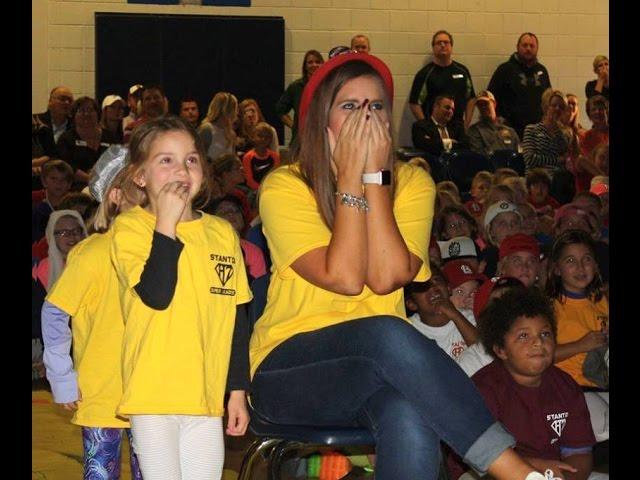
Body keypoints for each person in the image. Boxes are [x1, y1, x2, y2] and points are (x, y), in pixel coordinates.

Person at [249, 49, 549, 480]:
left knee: (409, 410)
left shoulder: (411, 182)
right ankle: (514, 471)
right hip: (290, 368)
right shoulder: (286, 185)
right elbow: (348, 279)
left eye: (375, 107)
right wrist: (352, 177)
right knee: (385, 333)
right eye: (349, 107)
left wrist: (374, 180)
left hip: (380, 371)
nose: (365, 119)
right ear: (322, 122)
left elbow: (388, 276)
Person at [110, 116, 251, 479]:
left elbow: (236, 319)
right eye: (166, 160)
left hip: (205, 398)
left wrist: (237, 390)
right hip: (153, 396)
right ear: (140, 176)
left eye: (190, 159)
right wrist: (166, 226)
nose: (182, 169)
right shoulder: (130, 229)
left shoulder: (221, 233)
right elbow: (156, 295)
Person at [41, 146, 143, 480]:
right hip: (103, 392)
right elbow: (55, 311)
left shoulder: (169, 250)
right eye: (139, 183)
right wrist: (62, 376)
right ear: (115, 195)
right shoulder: (93, 253)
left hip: (154, 392)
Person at [450, 287, 603, 480]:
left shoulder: (565, 385)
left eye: (545, 334)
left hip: (553, 474)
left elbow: (579, 453)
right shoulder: (483, 389)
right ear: (500, 350)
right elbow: (481, 457)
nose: (538, 342)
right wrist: (534, 468)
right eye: (524, 336)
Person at [546, 230, 610, 445]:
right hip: (570, 389)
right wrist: (581, 345)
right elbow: (542, 355)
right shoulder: (551, 308)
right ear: (556, 269)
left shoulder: (600, 301)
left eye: (587, 259)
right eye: (571, 261)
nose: (581, 267)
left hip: (601, 383)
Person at [405, 263, 481, 360]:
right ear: (412, 304)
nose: (433, 287)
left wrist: (455, 315)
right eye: (422, 286)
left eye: (436, 280)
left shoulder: (469, 317)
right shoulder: (409, 331)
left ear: (449, 289)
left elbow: (484, 354)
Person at [487, 33, 552, 139]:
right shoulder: (505, 69)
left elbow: (549, 100)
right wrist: (497, 119)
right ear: (517, 47)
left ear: (537, 49)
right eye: (525, 45)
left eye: (532, 46)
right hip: (509, 131)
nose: (528, 49)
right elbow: (490, 97)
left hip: (537, 132)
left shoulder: (542, 71)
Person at [409, 30, 475, 127]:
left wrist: (466, 124)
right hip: (435, 130)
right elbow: (414, 104)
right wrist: (427, 127)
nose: (443, 45)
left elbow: (471, 99)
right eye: (439, 43)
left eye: (446, 42)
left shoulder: (462, 71)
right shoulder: (424, 74)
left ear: (451, 46)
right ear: (433, 47)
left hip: (458, 128)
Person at [57, 96, 120, 188]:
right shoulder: (66, 139)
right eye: (81, 110)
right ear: (74, 115)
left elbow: (119, 162)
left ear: (97, 114)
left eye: (90, 110)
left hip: (108, 186)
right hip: (77, 189)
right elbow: (66, 167)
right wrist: (90, 179)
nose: (86, 114)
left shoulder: (110, 137)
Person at [275, 49, 324, 145]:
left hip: (322, 139)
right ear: (305, 66)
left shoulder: (328, 86)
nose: (314, 65)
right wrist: (294, 126)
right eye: (310, 62)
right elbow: (280, 110)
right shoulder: (296, 87)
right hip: (300, 141)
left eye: (317, 62)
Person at [522, 88, 571, 176]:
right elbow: (530, 159)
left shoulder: (563, 134)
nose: (557, 109)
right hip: (537, 177)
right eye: (554, 105)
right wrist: (557, 160)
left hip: (557, 177)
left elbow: (566, 158)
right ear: (546, 107)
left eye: (561, 107)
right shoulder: (532, 129)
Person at [467, 90, 520, 157]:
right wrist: (496, 138)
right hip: (489, 166)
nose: (483, 107)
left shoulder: (510, 130)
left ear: (494, 104)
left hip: (511, 165)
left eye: (486, 103)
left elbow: (519, 152)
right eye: (480, 105)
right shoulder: (475, 131)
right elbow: (478, 156)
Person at [32, 159, 74, 244]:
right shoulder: (37, 207)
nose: (59, 183)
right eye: (53, 178)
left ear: (69, 184)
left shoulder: (75, 206)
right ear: (44, 181)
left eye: (63, 179)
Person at [32, 86, 75, 159]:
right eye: (62, 99)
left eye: (70, 100)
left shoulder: (76, 126)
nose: (67, 102)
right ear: (50, 102)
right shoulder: (35, 121)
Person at [198, 92, 239, 162]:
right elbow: (199, 157)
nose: (236, 112)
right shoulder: (207, 129)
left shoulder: (231, 134)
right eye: (234, 109)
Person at [241, 122, 281, 191]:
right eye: (259, 136)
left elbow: (276, 176)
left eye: (266, 137)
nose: (263, 139)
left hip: (271, 188)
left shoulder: (274, 157)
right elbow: (249, 180)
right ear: (253, 136)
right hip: (254, 191)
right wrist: (261, 189)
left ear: (270, 139)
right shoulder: (248, 157)